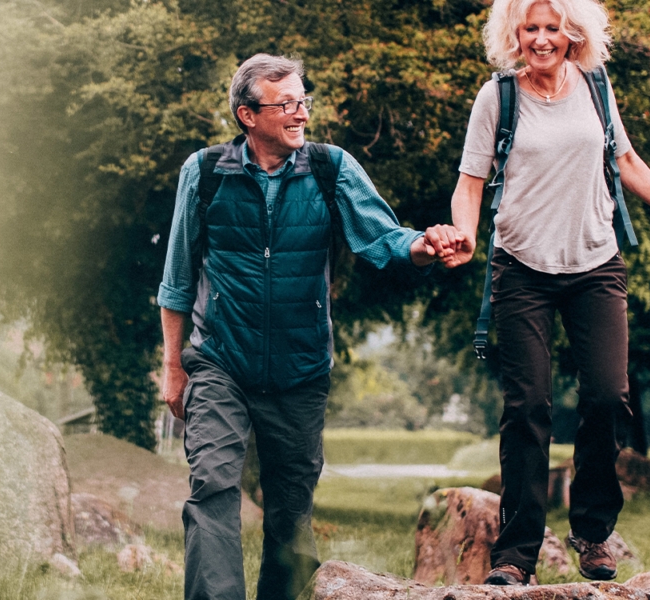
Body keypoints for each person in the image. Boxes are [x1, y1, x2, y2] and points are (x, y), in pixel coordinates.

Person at [156, 54, 461, 600]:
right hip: (221, 359)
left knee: (292, 512)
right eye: (287, 104)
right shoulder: (203, 173)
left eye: (304, 101)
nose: (301, 114)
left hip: (300, 368)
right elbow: (177, 279)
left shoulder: (329, 167)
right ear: (248, 115)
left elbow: (382, 239)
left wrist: (426, 245)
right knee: (213, 488)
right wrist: (173, 366)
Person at [436, 0, 650, 585]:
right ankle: (515, 555)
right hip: (522, 270)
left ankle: (592, 531)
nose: (541, 39)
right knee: (528, 408)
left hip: (595, 263)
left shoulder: (595, 86)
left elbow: (626, 158)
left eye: (552, 27)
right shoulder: (498, 97)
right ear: (514, 33)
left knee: (608, 397)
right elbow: (470, 182)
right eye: (530, 27)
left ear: (573, 32)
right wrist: (463, 232)